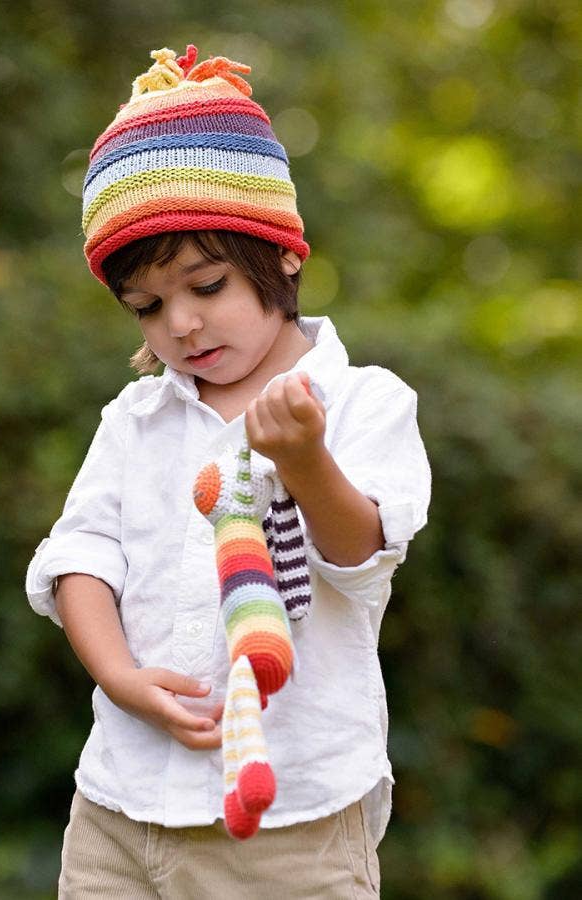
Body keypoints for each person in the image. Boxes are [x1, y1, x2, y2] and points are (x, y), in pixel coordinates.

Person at [26, 44, 431, 898]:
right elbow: (80, 559)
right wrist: (122, 678)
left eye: (205, 285)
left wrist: (305, 459)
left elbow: (359, 558)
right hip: (119, 812)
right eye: (147, 305)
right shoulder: (135, 420)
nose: (180, 323)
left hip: (293, 827)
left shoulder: (363, 403)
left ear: (281, 254)